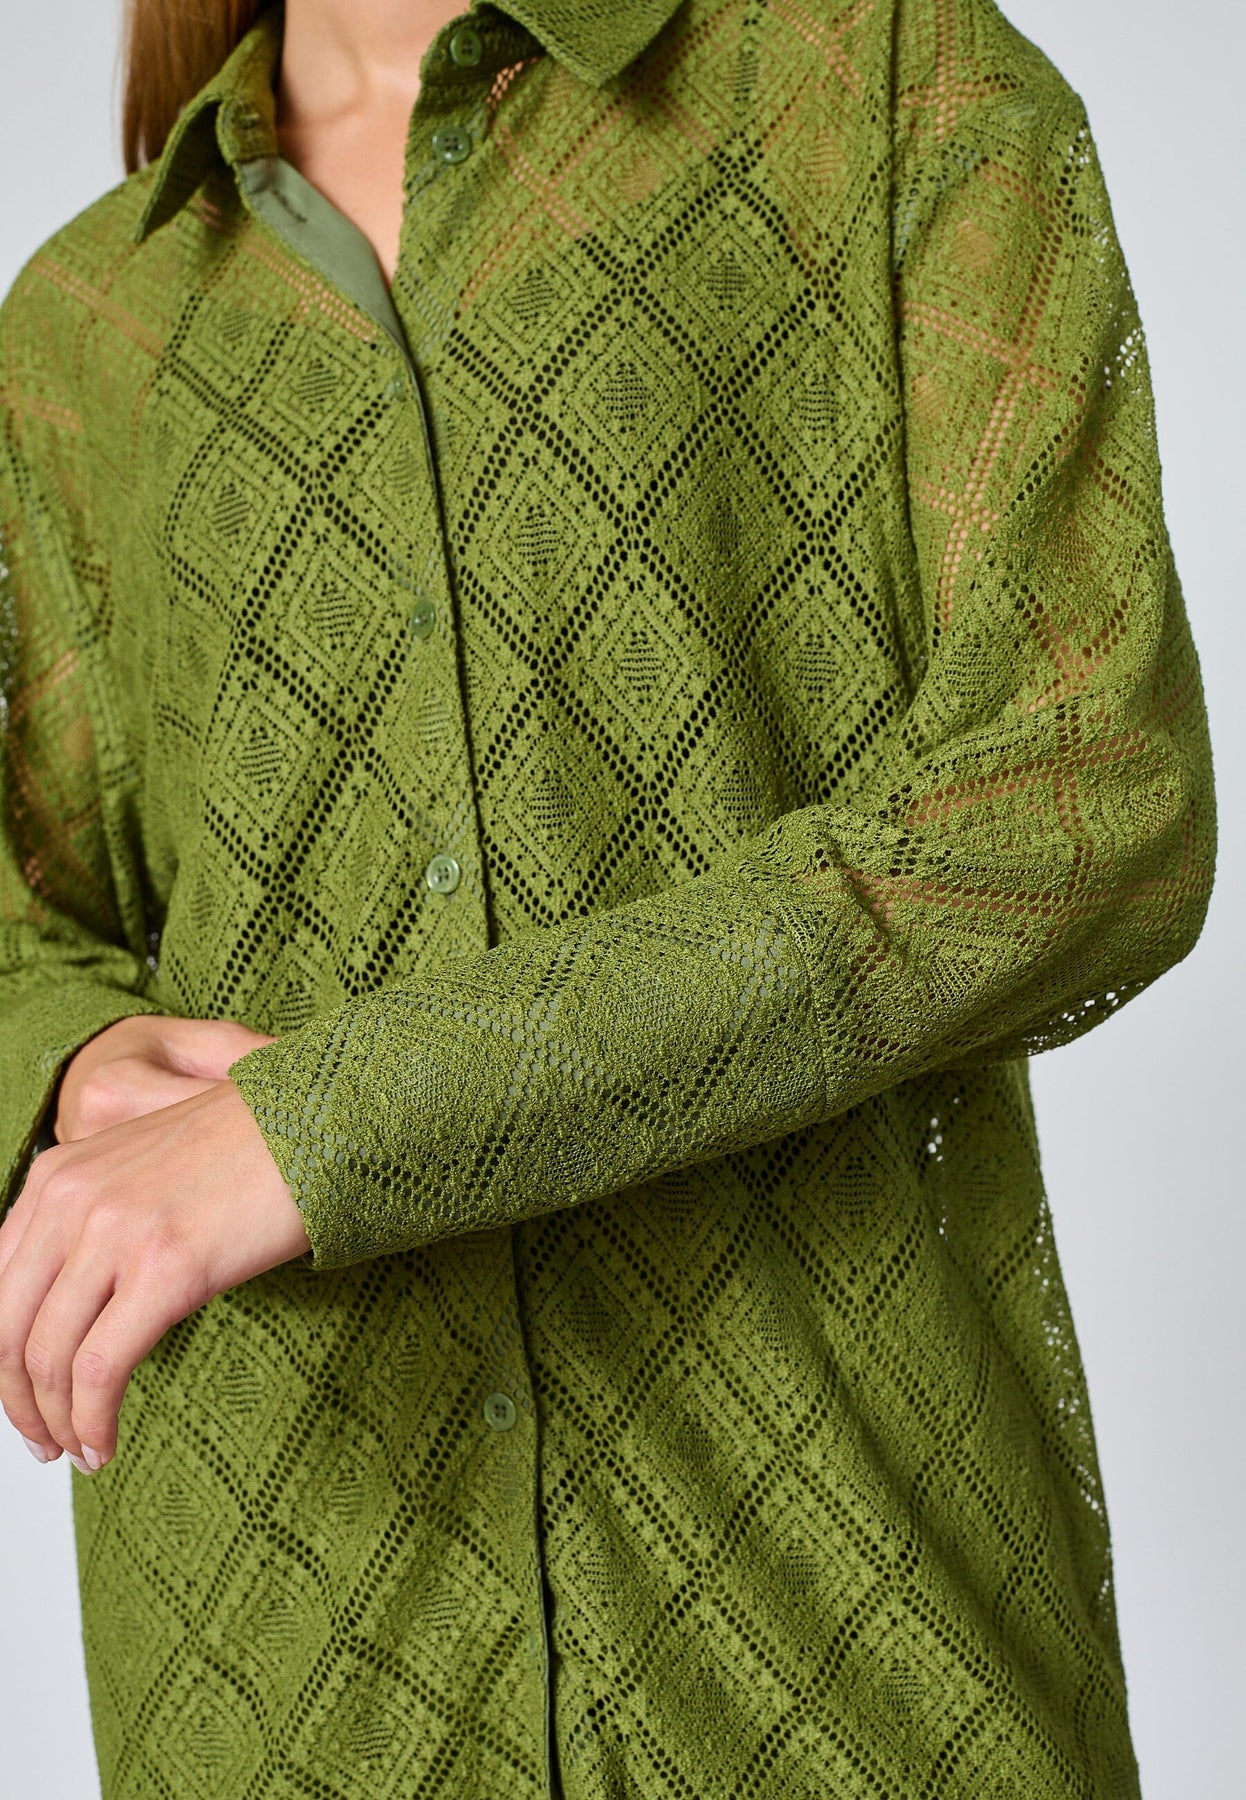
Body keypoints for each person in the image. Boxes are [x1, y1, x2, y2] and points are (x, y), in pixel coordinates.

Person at [0, 0, 1217, 1792]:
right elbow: (26, 917)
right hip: (282, 1650)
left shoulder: (882, 83)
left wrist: (328, 1127)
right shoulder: (84, 323)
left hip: (830, 1610)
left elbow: (1082, 800)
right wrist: (70, 1056)